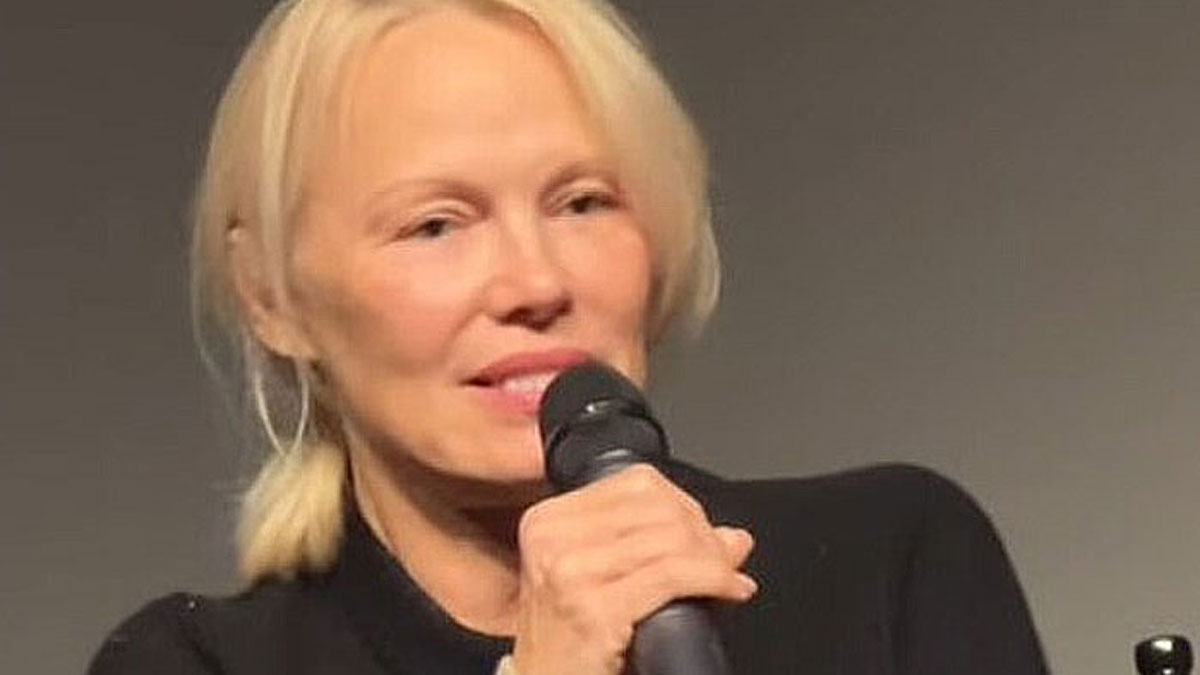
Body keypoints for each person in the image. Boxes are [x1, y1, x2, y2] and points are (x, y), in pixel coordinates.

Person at [88, 0, 1048, 673]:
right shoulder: (190, 663)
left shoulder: (889, 568)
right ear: (272, 296)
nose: (537, 283)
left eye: (582, 202)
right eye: (437, 224)